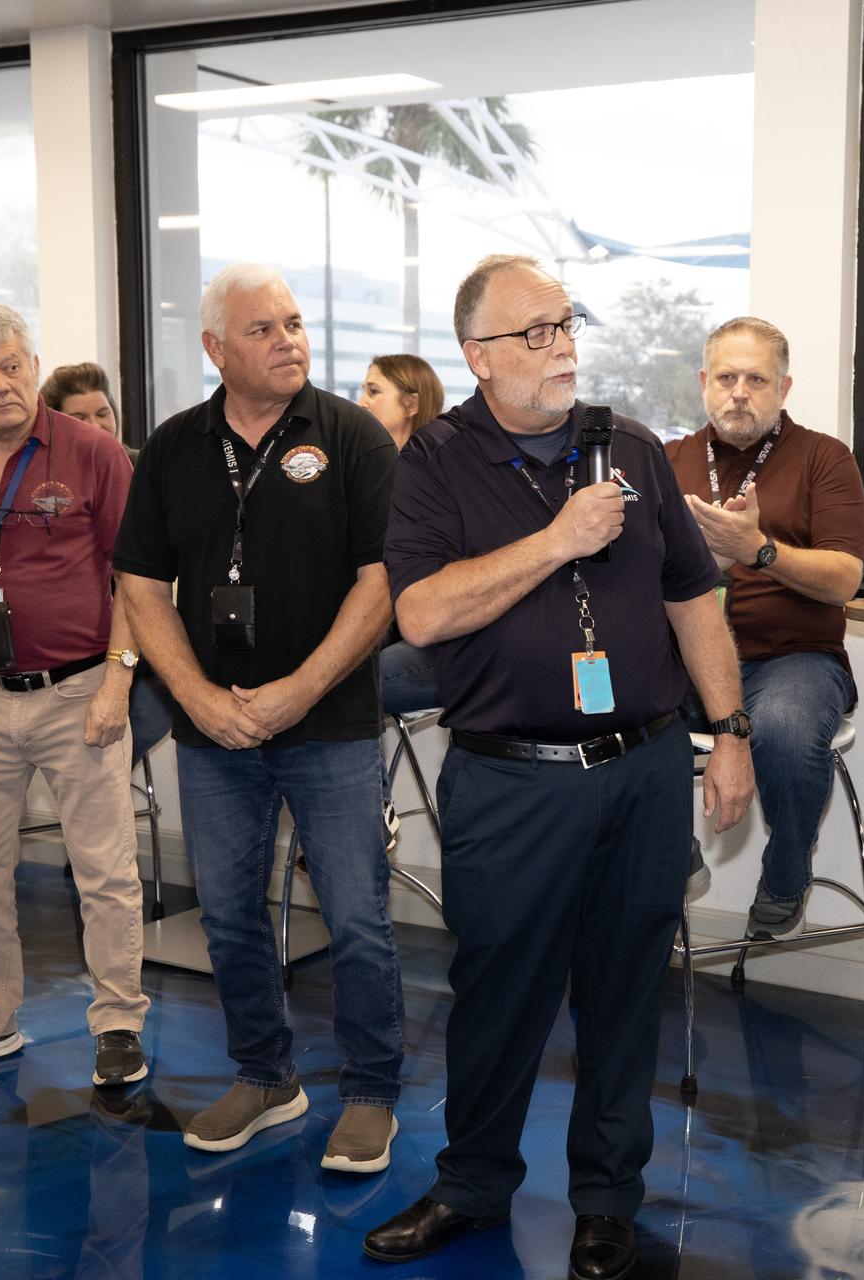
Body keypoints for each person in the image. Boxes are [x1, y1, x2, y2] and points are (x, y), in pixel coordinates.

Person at [364, 254, 755, 1280]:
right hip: (512, 775)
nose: (563, 345)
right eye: (535, 333)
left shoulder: (628, 446)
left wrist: (731, 730)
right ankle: (473, 1182)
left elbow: (690, 596)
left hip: (645, 764)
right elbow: (423, 613)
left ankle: (606, 1199)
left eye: (566, 324)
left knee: (627, 988)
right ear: (479, 356)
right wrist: (557, 539)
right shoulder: (438, 460)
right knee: (497, 991)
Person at [114, 264, 407, 1171]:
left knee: (357, 916)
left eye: (293, 323)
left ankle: (370, 1091)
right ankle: (266, 1075)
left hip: (329, 722)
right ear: (214, 349)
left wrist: (300, 691)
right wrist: (199, 699)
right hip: (215, 729)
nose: (289, 340)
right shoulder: (173, 449)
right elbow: (139, 584)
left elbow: (382, 583)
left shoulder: (354, 438)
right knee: (232, 917)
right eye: (262, 329)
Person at [0, 302, 150, 1087]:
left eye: (13, 366)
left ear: (33, 365)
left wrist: (119, 678)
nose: (0, 384)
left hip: (78, 692)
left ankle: (117, 1022)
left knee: (104, 869)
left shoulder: (95, 454)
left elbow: (138, 580)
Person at [662, 317, 864, 935]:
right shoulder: (668, 459)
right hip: (690, 655)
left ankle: (786, 872)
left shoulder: (823, 458)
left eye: (757, 379)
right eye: (726, 377)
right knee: (627, 716)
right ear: (704, 381)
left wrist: (758, 549)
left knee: (780, 729)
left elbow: (844, 579)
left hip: (793, 656)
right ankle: (674, 856)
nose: (739, 392)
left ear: (783, 387)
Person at [40, 362, 169, 768]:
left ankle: (98, 778)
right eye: (79, 417)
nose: (96, 426)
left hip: (144, 638)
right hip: (76, 647)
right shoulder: (45, 484)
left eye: (102, 413)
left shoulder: (142, 466)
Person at [358, 354, 445, 718]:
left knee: (339, 689)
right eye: (363, 390)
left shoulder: (437, 473)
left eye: (374, 391)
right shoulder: (371, 472)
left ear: (411, 403)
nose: (361, 401)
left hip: (441, 642)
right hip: (387, 629)